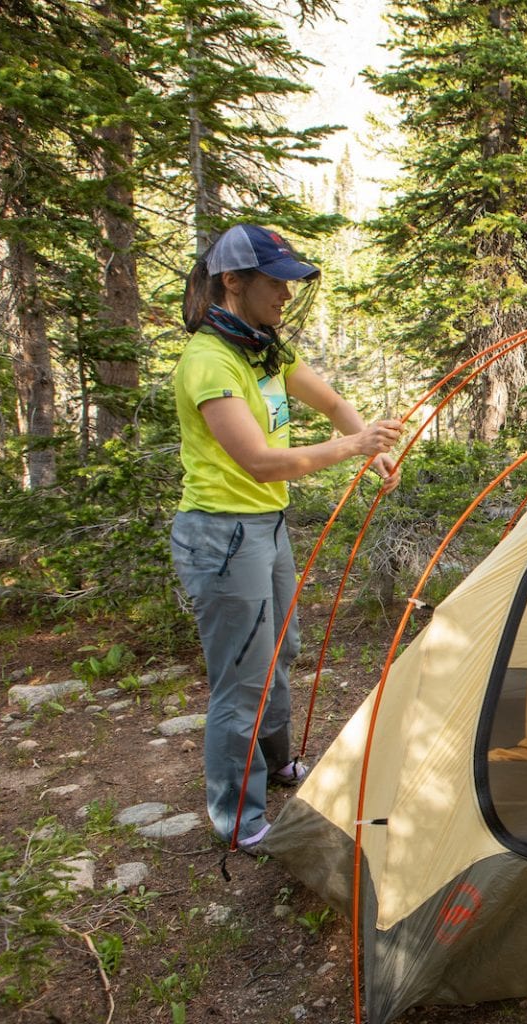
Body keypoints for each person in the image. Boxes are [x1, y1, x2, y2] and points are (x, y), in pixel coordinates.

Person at [171, 224, 403, 852]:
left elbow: (331, 403)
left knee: (281, 649)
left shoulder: (263, 350)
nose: (286, 293)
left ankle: (273, 764)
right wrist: (353, 446)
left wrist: (370, 453)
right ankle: (238, 821)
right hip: (221, 536)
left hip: (264, 528)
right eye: (275, 282)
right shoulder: (209, 360)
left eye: (290, 281)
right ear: (234, 282)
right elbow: (259, 461)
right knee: (241, 679)